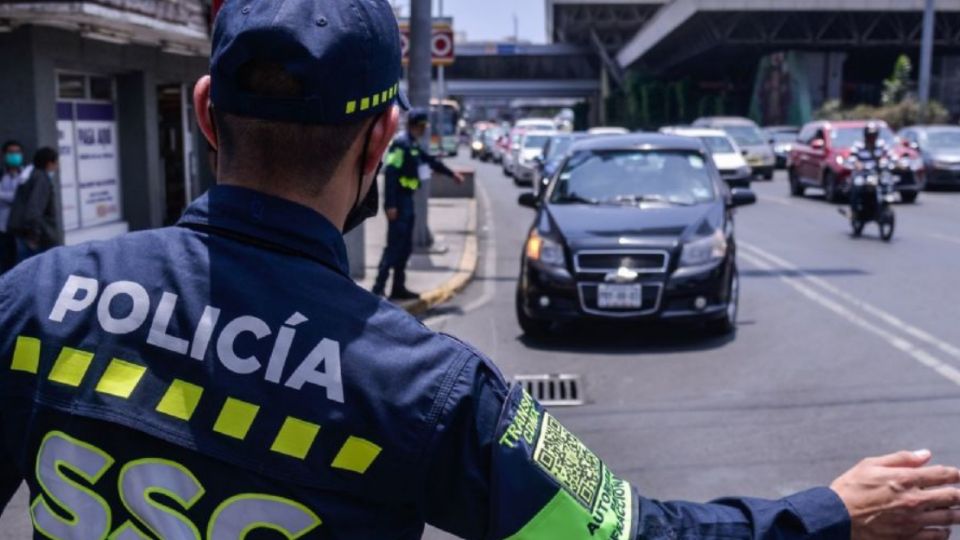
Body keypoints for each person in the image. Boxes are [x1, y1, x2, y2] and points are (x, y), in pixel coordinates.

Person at [1, 1, 959, 538]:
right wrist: (828, 514)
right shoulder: (429, 389)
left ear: (206, 114)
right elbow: (623, 533)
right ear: (383, 137)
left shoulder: (36, 300)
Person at [373, 108, 464, 300]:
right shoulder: (400, 145)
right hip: (398, 201)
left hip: (408, 201)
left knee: (405, 247)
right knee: (394, 247)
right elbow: (390, 173)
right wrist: (390, 204)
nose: (424, 130)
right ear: (414, 125)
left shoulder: (412, 145)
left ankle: (398, 287)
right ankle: (377, 288)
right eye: (422, 126)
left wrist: (451, 174)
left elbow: (430, 161)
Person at [8, 147, 63, 262]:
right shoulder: (41, 179)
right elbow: (34, 210)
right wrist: (34, 237)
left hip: (24, 234)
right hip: (35, 239)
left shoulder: (29, 175)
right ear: (49, 163)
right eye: (56, 163)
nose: (57, 166)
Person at [848, 122, 889, 218]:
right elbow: (852, 158)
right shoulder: (859, 145)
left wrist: (898, 163)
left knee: (887, 183)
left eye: (874, 135)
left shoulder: (881, 145)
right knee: (857, 186)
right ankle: (854, 211)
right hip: (862, 174)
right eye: (870, 135)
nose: (872, 137)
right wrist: (857, 164)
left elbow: (890, 155)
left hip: (877, 173)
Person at [0, 140, 29, 271]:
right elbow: (16, 197)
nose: (14, 155)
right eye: (10, 152)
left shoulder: (27, 175)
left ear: (22, 154)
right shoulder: (1, 175)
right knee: (5, 266)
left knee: (23, 265)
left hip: (22, 229)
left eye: (17, 152)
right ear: (4, 155)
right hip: (3, 229)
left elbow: (22, 198)